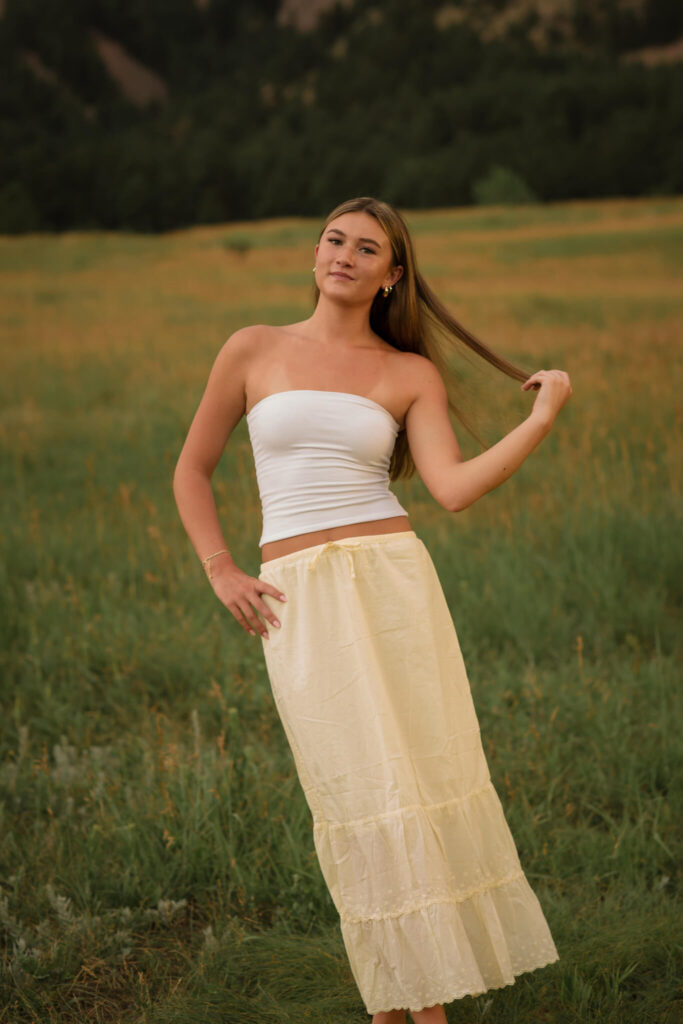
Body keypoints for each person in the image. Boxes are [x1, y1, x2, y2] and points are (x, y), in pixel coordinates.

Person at [172, 196, 570, 1023]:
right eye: (333, 239)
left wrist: (539, 417)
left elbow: (452, 491)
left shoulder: (406, 372)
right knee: (354, 794)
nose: (343, 255)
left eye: (366, 249)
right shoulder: (253, 348)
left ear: (393, 275)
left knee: (419, 778)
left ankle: (416, 1007)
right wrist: (219, 568)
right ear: (315, 252)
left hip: (393, 587)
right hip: (300, 596)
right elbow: (192, 470)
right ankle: (407, 995)